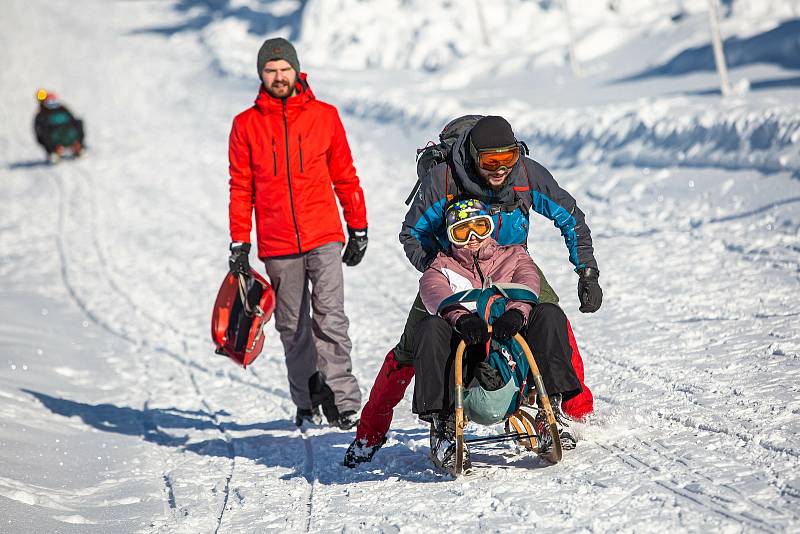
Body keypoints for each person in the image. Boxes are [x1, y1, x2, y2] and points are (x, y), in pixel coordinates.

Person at [344, 115, 600, 467]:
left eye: (507, 159)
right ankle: (372, 433)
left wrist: (586, 271)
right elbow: (411, 233)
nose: (500, 169)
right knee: (414, 344)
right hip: (454, 266)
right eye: (490, 161)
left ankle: (567, 411)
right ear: (473, 156)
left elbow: (569, 216)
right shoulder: (443, 180)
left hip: (510, 262)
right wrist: (442, 269)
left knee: (552, 320)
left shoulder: (525, 174)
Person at [227, 37, 368, 430]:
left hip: (323, 234)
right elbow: (241, 188)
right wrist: (240, 241)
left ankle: (343, 401)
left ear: (296, 70)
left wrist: (357, 225)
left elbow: (344, 174)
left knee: (331, 318)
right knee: (292, 325)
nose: (278, 77)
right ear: (261, 75)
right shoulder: (246, 126)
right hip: (277, 243)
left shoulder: (325, 116)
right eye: (270, 71)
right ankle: (307, 400)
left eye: (283, 69)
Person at [414, 198, 581, 469]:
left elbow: (528, 282)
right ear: (450, 236)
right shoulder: (440, 267)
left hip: (510, 347)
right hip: (468, 351)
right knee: (430, 328)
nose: (472, 238)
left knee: (549, 314)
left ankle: (549, 409)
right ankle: (443, 426)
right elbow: (434, 294)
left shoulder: (514, 255)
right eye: (461, 231)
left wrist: (516, 312)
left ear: (490, 228)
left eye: (479, 227)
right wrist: (462, 318)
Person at [34, 89, 84, 163]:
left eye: (53, 100)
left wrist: (79, 141)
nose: (52, 103)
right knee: (45, 131)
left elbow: (74, 121)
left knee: (78, 123)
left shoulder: (63, 109)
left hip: (69, 135)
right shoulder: (42, 114)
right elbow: (40, 134)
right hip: (53, 139)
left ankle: (78, 147)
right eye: (49, 101)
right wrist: (50, 148)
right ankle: (53, 152)